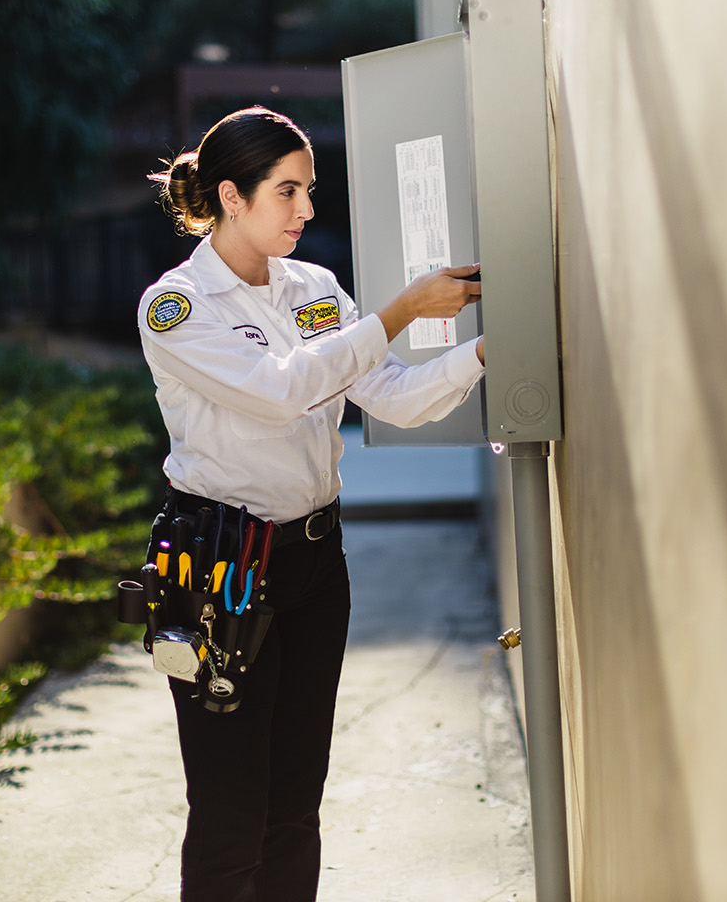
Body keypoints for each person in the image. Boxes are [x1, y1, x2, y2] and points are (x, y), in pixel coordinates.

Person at [137, 106, 485, 902]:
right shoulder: (179, 306)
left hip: (315, 567)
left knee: (296, 803)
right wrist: (399, 311)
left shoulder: (315, 290)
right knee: (232, 810)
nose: (307, 210)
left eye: (310, 190)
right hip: (219, 568)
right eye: (288, 191)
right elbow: (279, 393)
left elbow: (391, 399)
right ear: (232, 195)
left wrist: (488, 350)